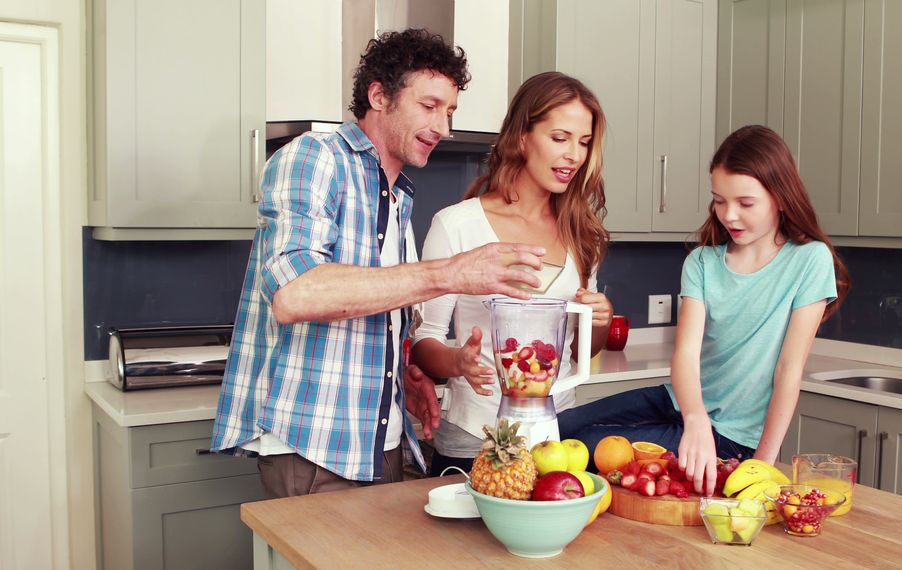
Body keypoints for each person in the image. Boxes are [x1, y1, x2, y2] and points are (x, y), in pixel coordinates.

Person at [210, 29, 549, 499]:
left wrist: (400, 373)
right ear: (378, 96)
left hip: (381, 443)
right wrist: (450, 273)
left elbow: (371, 307)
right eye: (429, 106)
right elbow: (295, 293)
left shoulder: (396, 197)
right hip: (313, 446)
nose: (444, 127)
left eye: (450, 112)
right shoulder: (315, 158)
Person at [558, 124, 850, 495]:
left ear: (780, 196)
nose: (729, 215)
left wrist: (761, 464)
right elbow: (686, 353)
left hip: (729, 438)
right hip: (682, 402)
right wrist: (695, 418)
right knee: (560, 426)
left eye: (745, 204)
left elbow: (789, 370)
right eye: (719, 200)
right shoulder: (703, 262)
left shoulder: (809, 261)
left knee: (586, 451)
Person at [410, 72, 614, 475]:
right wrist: (458, 362)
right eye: (560, 138)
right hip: (478, 438)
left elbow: (577, 353)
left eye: (584, 142)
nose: (574, 154)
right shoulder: (457, 225)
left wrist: (601, 320)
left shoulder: (580, 230)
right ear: (522, 137)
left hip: (558, 440)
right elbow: (422, 341)